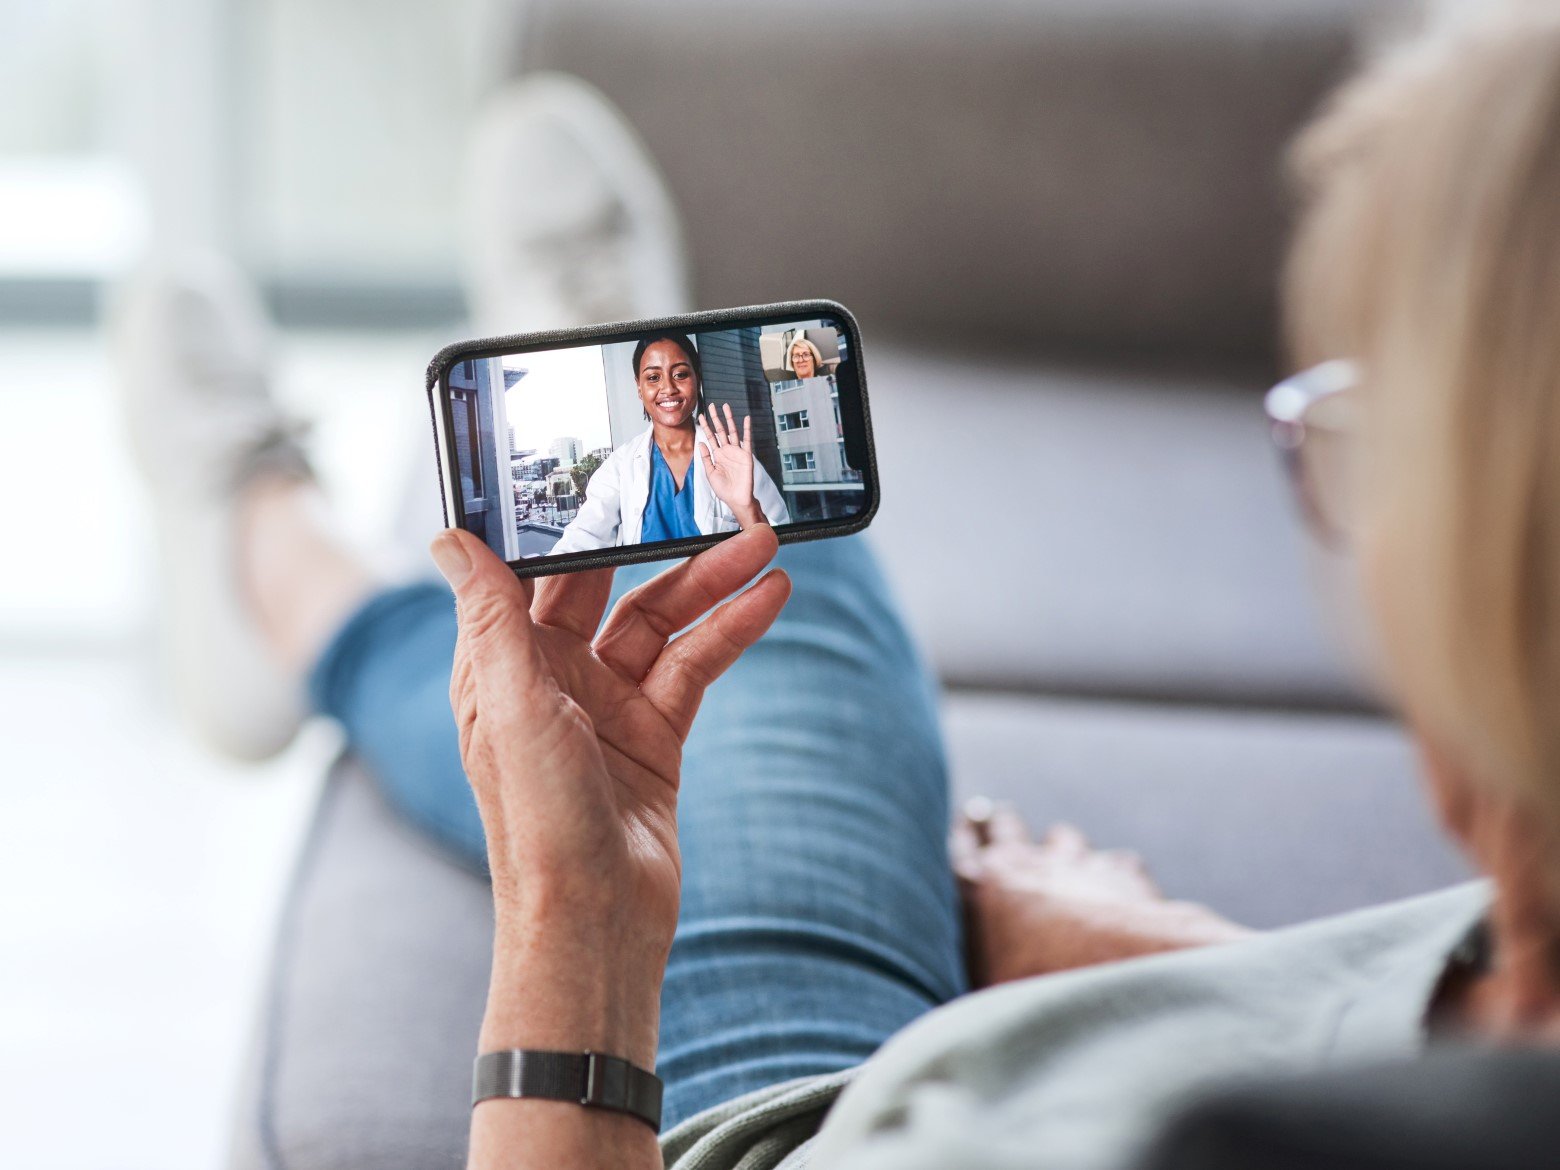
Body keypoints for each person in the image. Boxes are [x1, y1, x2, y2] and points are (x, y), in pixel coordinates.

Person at [112, 7, 1560, 1168]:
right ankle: (344, 528)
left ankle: (283, 559)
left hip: (814, 1111)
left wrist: (573, 929)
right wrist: (1188, 969)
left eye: (1373, 438)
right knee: (750, 546)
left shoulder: (1241, 1138)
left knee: (759, 575)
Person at [550, 333, 790, 554]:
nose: (668, 388)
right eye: (653, 377)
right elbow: (581, 540)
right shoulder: (619, 467)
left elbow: (784, 549)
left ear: (697, 379)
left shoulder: (732, 459)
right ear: (639, 388)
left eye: (681, 374)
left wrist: (746, 508)